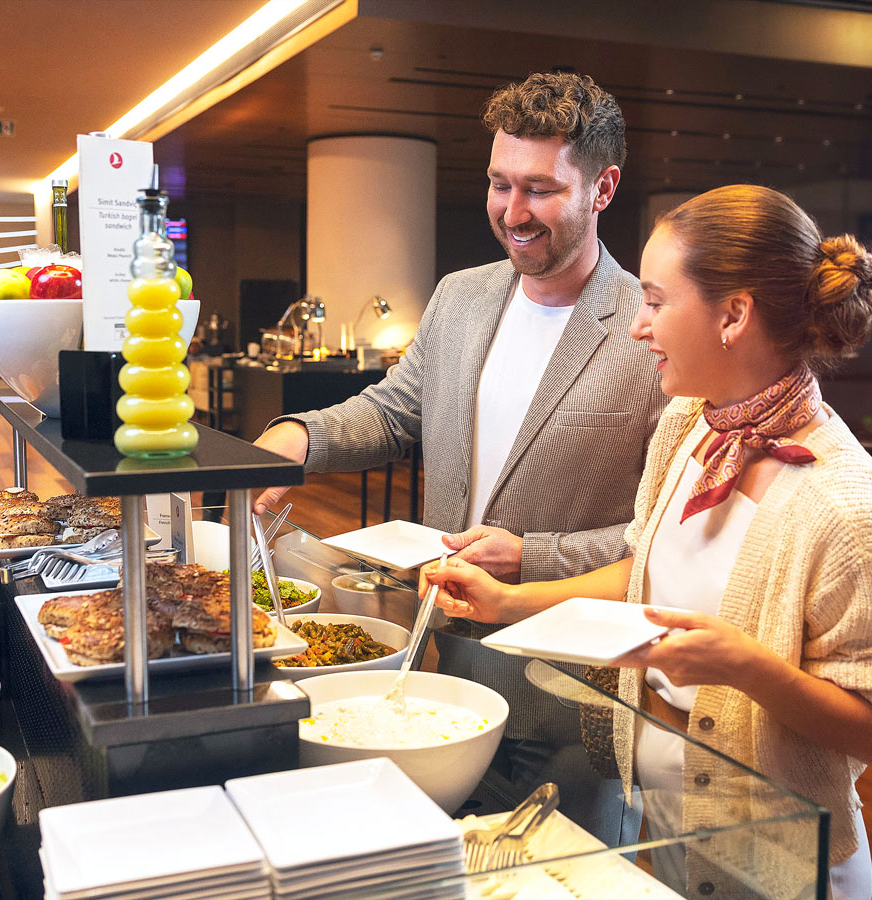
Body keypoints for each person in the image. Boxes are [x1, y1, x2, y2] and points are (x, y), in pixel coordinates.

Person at [421, 184, 872, 899]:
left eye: (657, 301)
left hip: (780, 857)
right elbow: (644, 571)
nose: (639, 326)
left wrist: (747, 668)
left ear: (733, 316)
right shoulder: (689, 426)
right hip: (670, 825)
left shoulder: (842, 504)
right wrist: (509, 600)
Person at [253, 72, 666, 838]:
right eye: (499, 184)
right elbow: (394, 410)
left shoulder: (652, 331)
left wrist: (531, 555)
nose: (513, 214)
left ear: (603, 187)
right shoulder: (460, 297)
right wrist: (299, 439)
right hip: (448, 666)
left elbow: (663, 540)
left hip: (573, 699)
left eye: (540, 190)